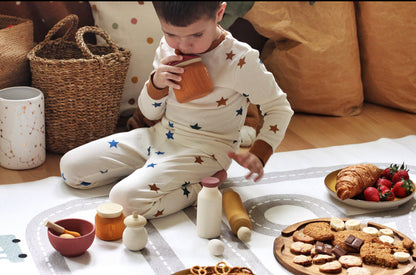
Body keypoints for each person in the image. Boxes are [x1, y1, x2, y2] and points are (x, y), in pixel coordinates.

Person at [60, 1, 293, 219]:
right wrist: (157, 84)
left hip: (208, 150)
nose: (182, 45)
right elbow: (150, 114)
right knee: (70, 167)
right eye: (171, 33)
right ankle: (152, 174)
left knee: (123, 200)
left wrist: (261, 152)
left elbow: (279, 108)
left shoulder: (241, 61)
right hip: (160, 135)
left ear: (219, 13)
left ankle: (204, 185)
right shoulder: (166, 48)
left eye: (196, 35)